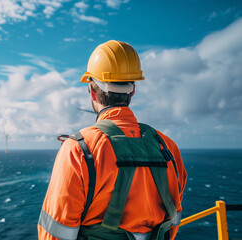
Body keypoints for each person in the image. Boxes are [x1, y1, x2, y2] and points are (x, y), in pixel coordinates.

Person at [38, 40, 187, 240]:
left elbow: (55, 233)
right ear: (133, 90)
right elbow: (173, 220)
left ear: (91, 91)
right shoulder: (168, 146)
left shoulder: (79, 149)